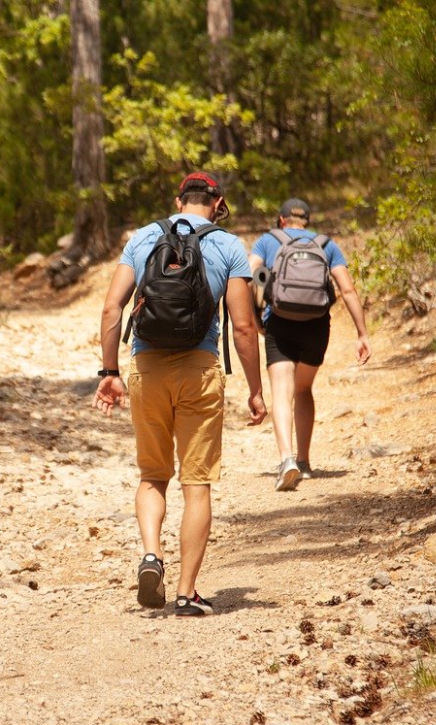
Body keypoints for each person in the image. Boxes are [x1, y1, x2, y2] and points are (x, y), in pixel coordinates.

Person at [94, 172, 267, 617]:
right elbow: (244, 326)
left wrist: (110, 371)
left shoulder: (145, 236)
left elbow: (113, 306)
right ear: (218, 203)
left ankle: (151, 555)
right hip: (200, 368)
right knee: (197, 484)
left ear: (177, 200)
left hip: (147, 367)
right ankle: (188, 593)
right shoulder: (228, 246)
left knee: (153, 475)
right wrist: (255, 390)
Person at [249, 198, 371, 492]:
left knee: (281, 390)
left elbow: (252, 276)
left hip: (279, 322)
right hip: (316, 326)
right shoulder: (326, 244)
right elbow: (347, 288)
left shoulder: (269, 241)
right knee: (303, 389)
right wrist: (362, 332)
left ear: (281, 220)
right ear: (307, 221)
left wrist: (255, 317)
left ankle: (286, 459)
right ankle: (304, 462)